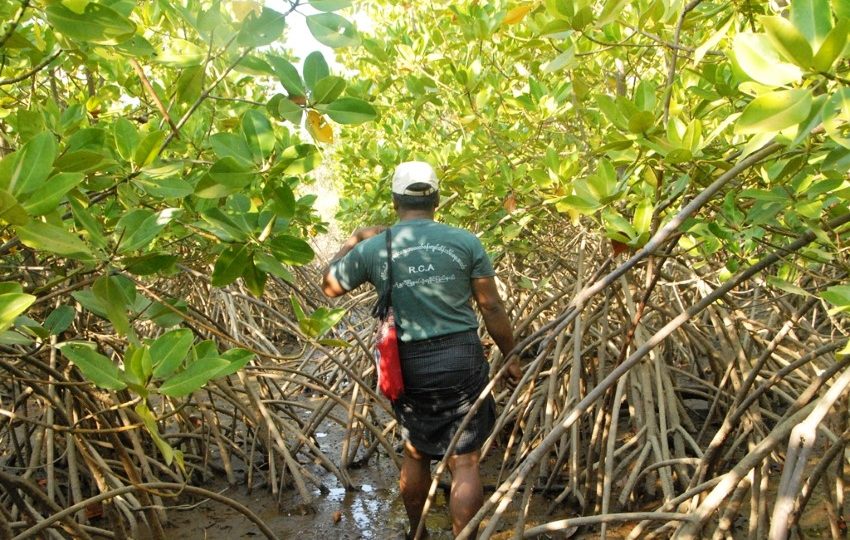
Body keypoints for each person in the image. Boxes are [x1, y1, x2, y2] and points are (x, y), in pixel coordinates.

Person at [321, 161, 521, 538]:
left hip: (407, 364)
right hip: (461, 359)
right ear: (437, 199)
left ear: (394, 200)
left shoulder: (375, 247)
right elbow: (491, 306)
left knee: (415, 451)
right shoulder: (465, 241)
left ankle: (418, 534)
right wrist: (510, 355)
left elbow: (329, 287)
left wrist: (354, 240)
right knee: (465, 462)